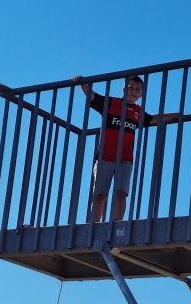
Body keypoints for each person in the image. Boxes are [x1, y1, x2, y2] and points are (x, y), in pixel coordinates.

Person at [73, 74, 180, 222]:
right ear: (124, 89)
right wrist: (81, 83)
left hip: (125, 159)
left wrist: (176, 116)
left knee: (121, 193)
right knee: (100, 195)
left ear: (141, 94)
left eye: (137, 89)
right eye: (131, 87)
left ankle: (117, 223)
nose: (133, 91)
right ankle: (94, 224)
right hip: (105, 157)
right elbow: (92, 97)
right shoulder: (111, 103)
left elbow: (153, 119)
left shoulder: (138, 112)